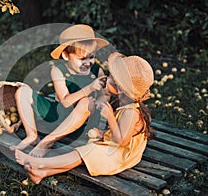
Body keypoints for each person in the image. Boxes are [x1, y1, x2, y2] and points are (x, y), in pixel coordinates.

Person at [15, 55, 156, 184]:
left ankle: (40, 163)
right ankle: (42, 173)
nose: (108, 77)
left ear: (120, 89)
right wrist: (104, 133)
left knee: (82, 153)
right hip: (115, 148)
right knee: (83, 155)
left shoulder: (130, 112)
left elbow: (122, 141)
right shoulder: (126, 106)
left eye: (112, 77)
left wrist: (110, 117)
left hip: (120, 155)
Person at [10, 24, 110, 156]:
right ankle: (32, 135)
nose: (88, 62)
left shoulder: (97, 71)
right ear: (66, 55)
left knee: (87, 102)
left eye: (91, 57)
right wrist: (90, 87)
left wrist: (100, 101)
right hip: (58, 117)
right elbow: (65, 102)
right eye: (81, 59)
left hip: (82, 124)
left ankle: (48, 141)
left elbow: (106, 95)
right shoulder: (58, 71)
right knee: (22, 90)